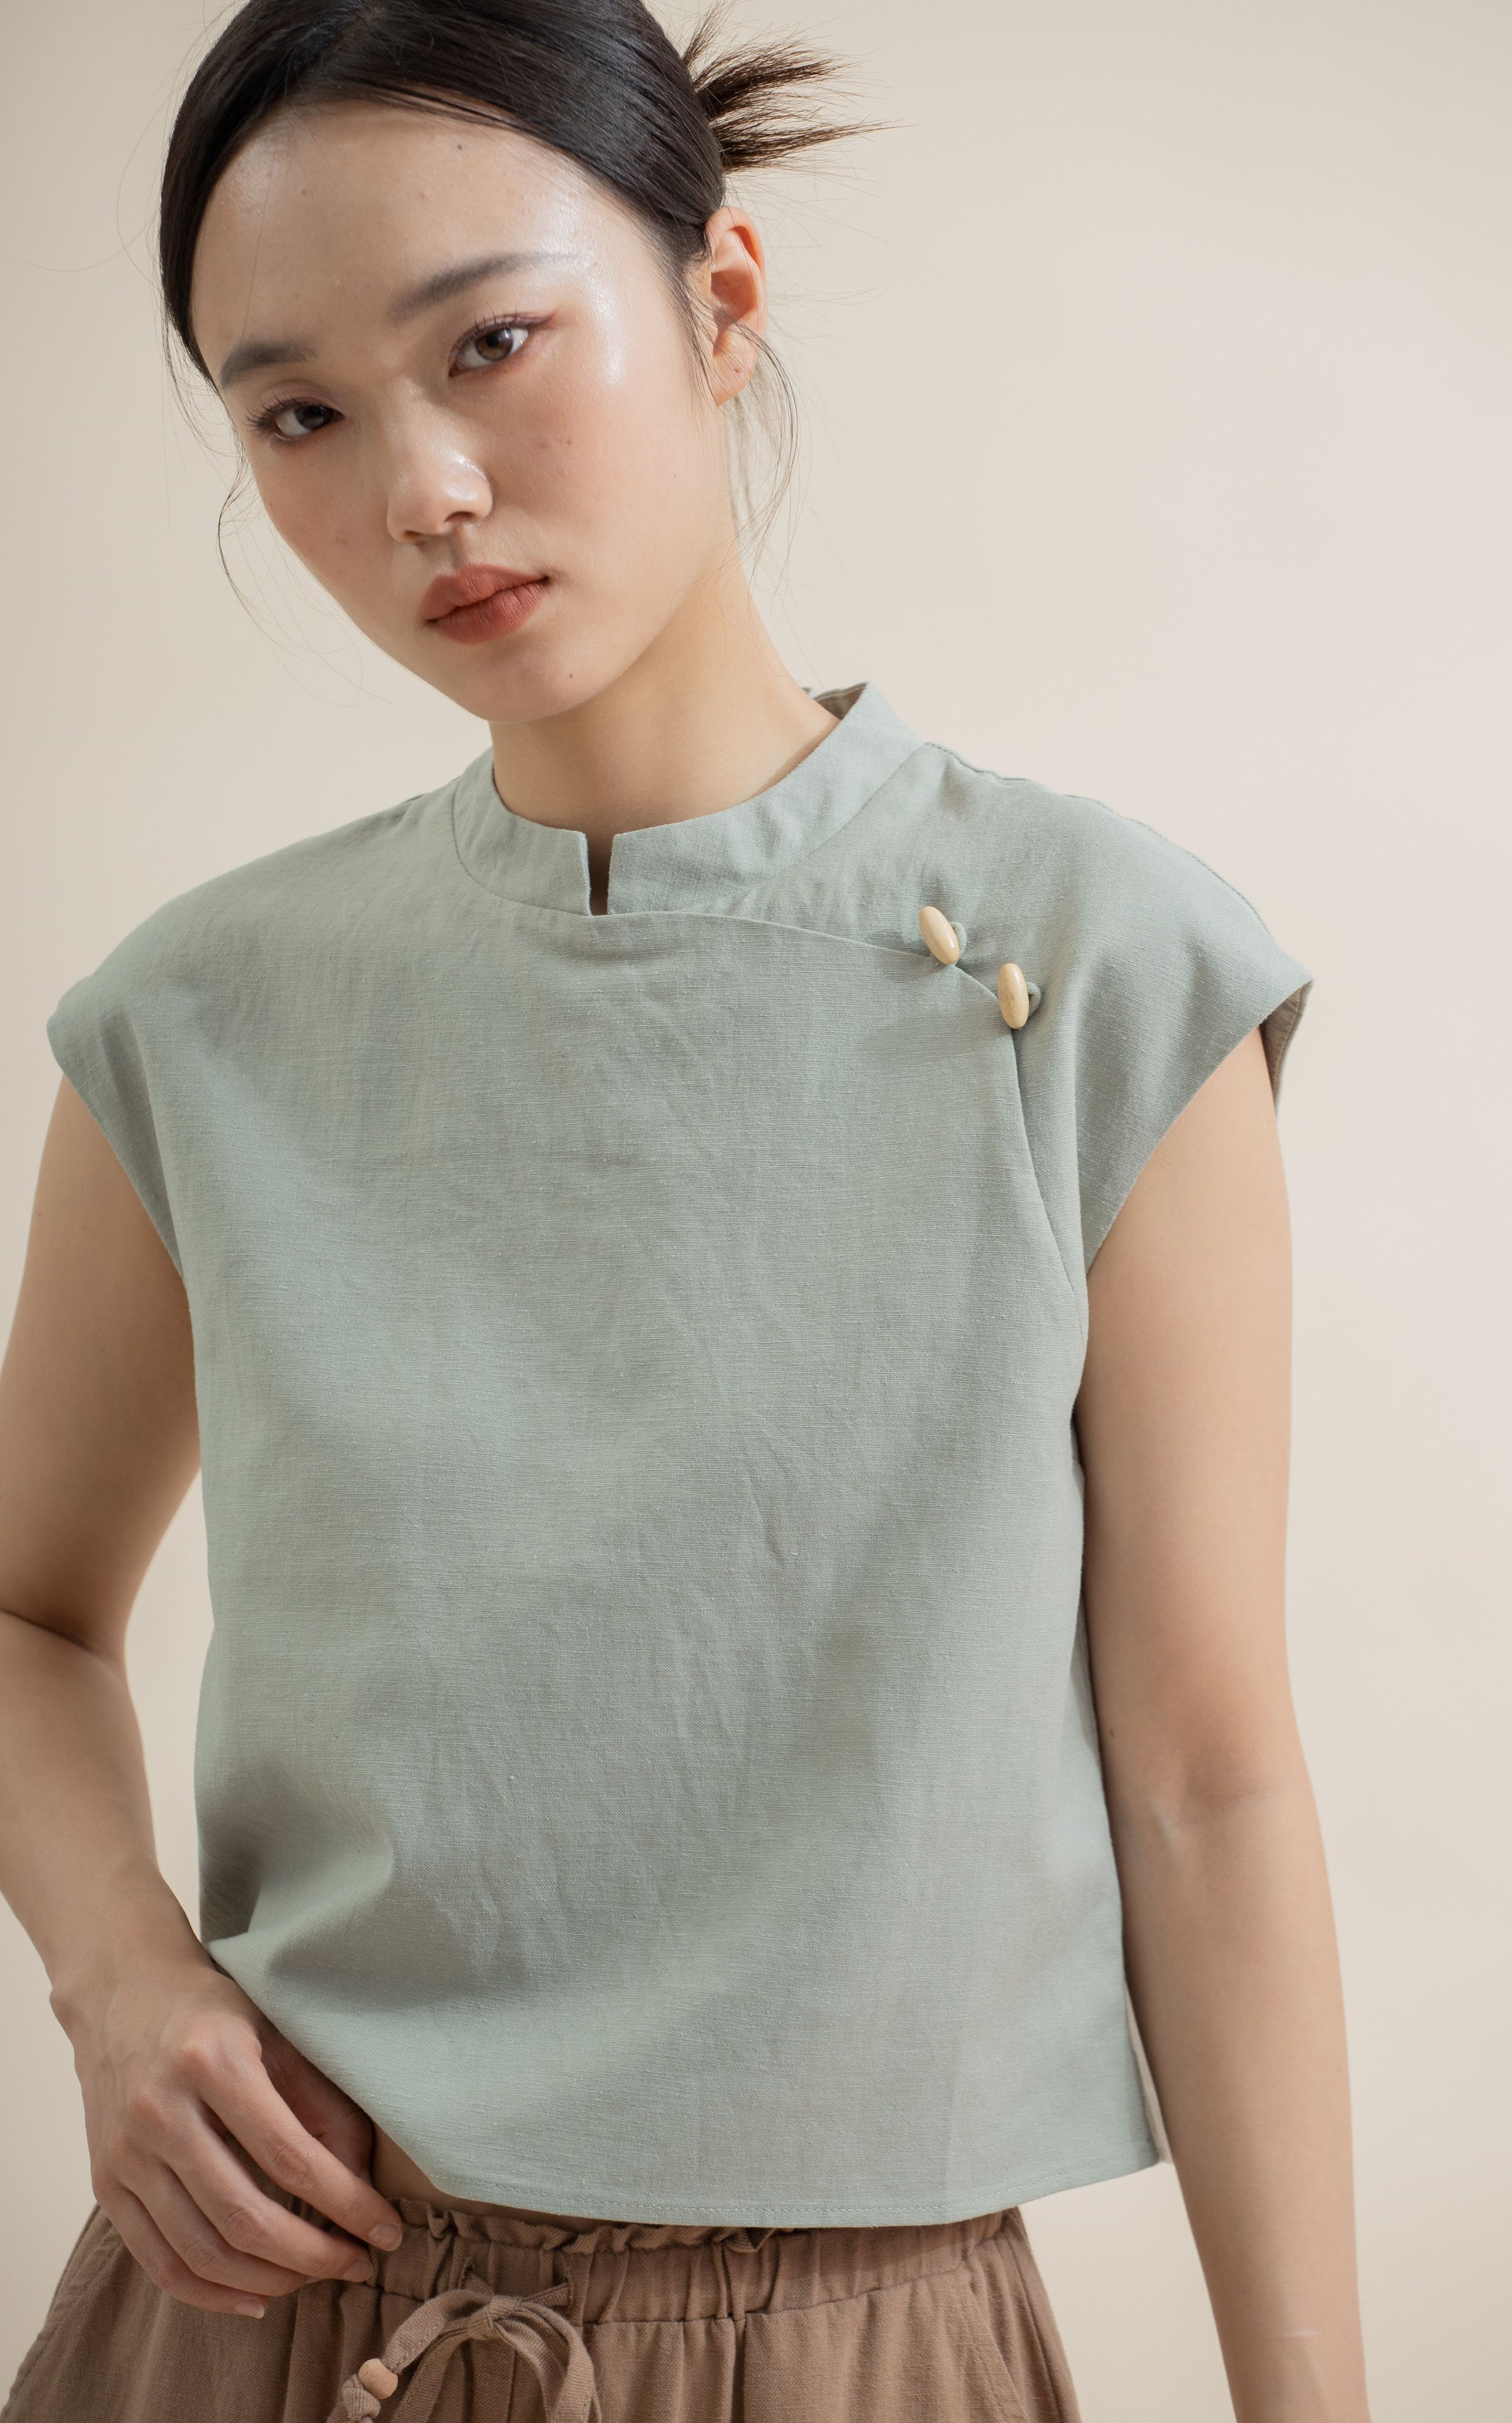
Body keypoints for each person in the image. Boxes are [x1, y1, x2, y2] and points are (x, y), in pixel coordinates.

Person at [0, 2, 1371, 2418]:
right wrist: (118, 1981)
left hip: (855, 2347)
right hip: (253, 2329)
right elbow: (23, 1611)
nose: (424, 489)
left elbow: (1206, 1782)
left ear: (721, 298)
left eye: (491, 345)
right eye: (299, 416)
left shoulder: (1097, 966)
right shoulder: (199, 1022)